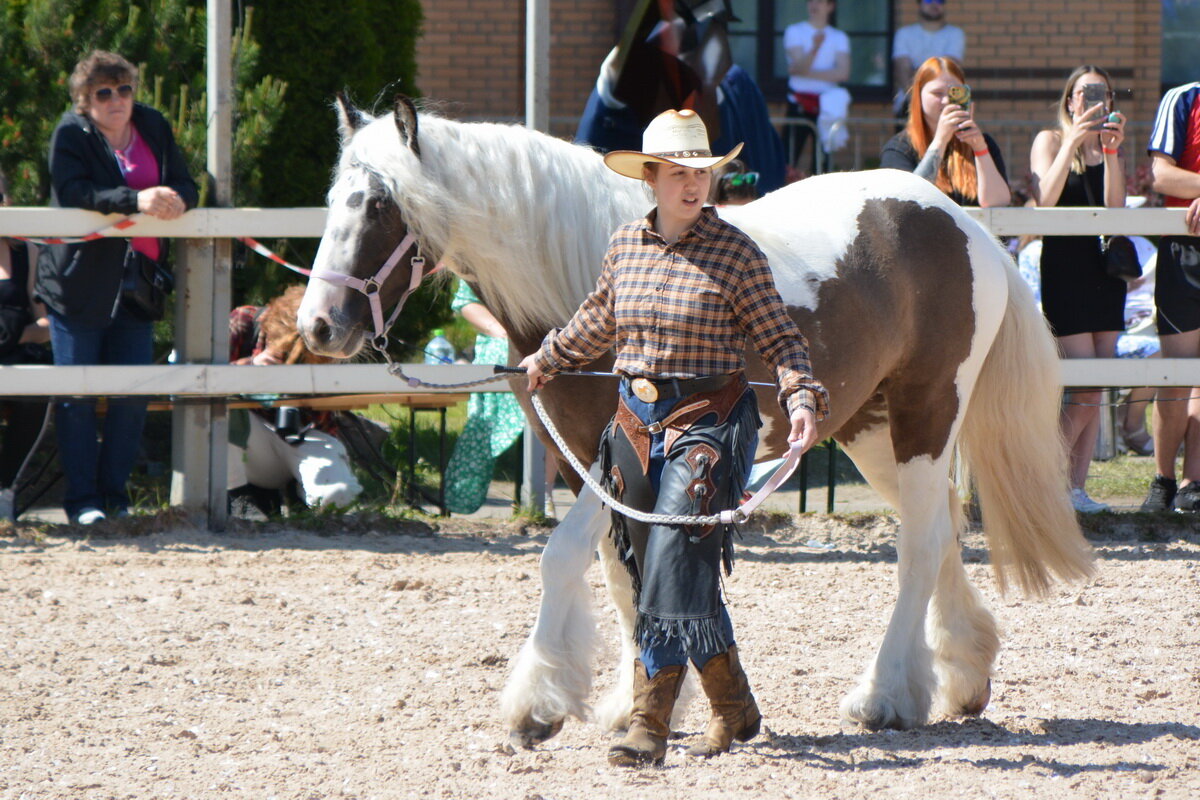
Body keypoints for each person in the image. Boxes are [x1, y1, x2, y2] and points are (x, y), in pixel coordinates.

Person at [518, 109, 828, 766]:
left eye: (703, 174)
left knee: (671, 565)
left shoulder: (737, 253)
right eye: (680, 174)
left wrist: (801, 395)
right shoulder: (626, 244)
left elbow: (780, 338)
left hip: (711, 421)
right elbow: (600, 318)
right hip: (633, 422)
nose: (694, 186)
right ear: (652, 178)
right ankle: (735, 704)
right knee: (653, 566)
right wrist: (548, 357)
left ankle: (648, 722)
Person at [36, 50, 197, 525]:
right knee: (78, 397)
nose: (116, 100)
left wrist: (178, 202)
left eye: (123, 89)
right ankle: (82, 502)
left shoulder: (153, 125)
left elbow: (185, 183)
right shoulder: (70, 133)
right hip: (77, 285)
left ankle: (115, 496)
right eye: (103, 93)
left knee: (131, 397)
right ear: (84, 101)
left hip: (138, 284)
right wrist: (137, 199)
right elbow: (74, 193)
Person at [1028, 66, 1128, 513]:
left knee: (1098, 386)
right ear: (1070, 100)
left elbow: (1115, 209)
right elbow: (1042, 202)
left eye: (1101, 93)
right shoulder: (1050, 140)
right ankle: (1040, 480)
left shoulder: (1105, 146)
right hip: (1065, 271)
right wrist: (1072, 140)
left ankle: (1074, 488)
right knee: (1083, 388)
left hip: (1105, 273)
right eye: (1084, 93)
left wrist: (1111, 153)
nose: (1092, 100)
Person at [227, 285, 362, 511]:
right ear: (271, 328)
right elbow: (200, 379)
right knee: (220, 409)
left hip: (306, 433)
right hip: (251, 442)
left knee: (338, 499)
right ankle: (239, 501)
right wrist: (250, 367)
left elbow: (332, 408)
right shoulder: (245, 320)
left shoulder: (329, 337)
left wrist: (313, 385)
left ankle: (301, 498)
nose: (292, 360)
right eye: (285, 355)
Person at [1142, 81, 1200, 511]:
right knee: (1178, 374)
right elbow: (1161, 175)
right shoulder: (1183, 98)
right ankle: (1162, 480)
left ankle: (1193, 484)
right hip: (1186, 250)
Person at [442, 281, 532, 515]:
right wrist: (502, 331)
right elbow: (466, 301)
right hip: (500, 344)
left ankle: (543, 495)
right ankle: (464, 491)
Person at [880, 56, 1011, 208]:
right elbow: (909, 202)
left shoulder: (983, 142)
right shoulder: (899, 147)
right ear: (919, 96)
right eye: (937, 93)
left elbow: (998, 203)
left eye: (955, 93)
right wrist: (940, 141)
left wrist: (980, 150)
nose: (946, 101)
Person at [0, 170, 52, 523]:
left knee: (38, 389)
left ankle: (5, 489)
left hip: (16, 356)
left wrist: (13, 336)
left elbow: (46, 324)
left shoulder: (26, 250)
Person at [783, 0, 851, 170]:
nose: (814, 5)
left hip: (827, 106)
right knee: (788, 156)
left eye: (820, 1)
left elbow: (843, 73)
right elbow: (799, 67)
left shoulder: (839, 37)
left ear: (830, 6)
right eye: (811, 1)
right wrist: (815, 47)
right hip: (799, 103)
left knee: (823, 160)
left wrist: (803, 71)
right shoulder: (794, 31)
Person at [892, 0, 966, 117]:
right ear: (919, 4)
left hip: (947, 105)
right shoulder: (904, 34)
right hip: (908, 105)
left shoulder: (955, 34)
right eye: (928, 0)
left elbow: (948, 69)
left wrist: (916, 71)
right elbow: (902, 70)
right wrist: (917, 100)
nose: (934, 4)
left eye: (939, 1)